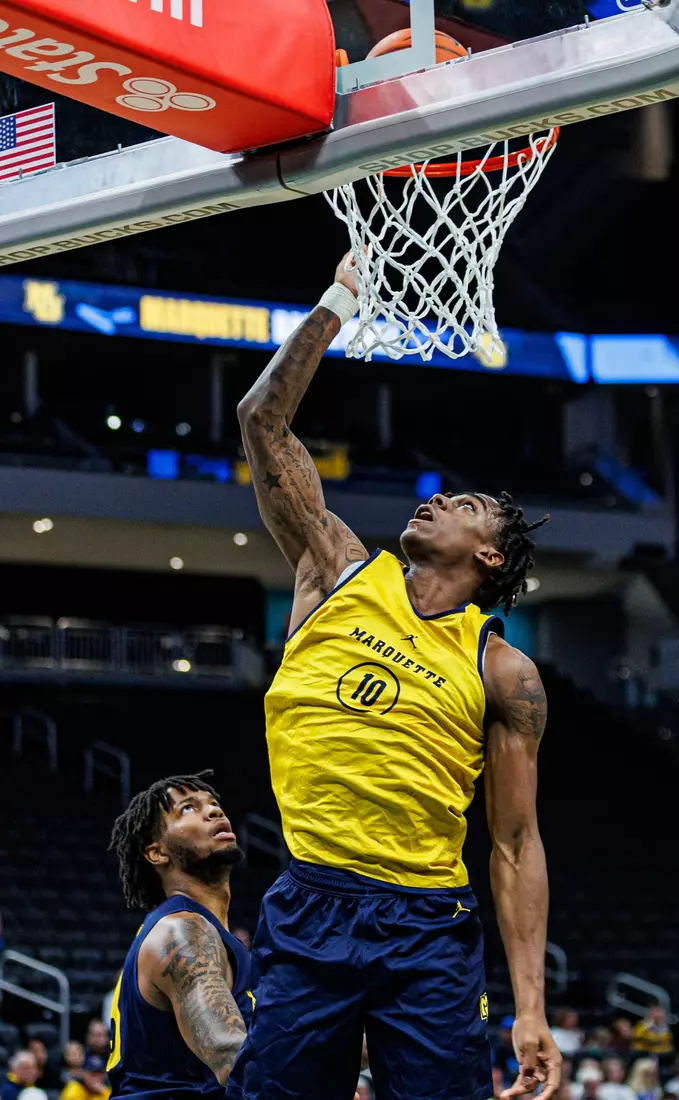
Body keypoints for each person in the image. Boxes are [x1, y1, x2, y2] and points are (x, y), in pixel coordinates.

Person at [228, 254, 558, 1100]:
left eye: (464, 504)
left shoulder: (502, 670)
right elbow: (263, 419)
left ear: (488, 555)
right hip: (310, 904)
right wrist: (341, 297)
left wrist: (530, 1008)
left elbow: (516, 844)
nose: (439, 499)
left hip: (427, 928)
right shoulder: (334, 565)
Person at [106, 771, 252, 1098]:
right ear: (157, 853)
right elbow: (235, 1060)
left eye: (214, 804)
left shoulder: (210, 935)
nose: (215, 812)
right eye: (187, 809)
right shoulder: (181, 932)